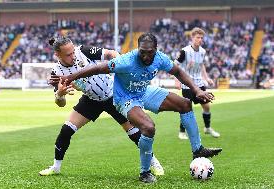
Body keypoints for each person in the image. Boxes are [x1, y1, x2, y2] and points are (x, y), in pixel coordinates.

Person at [50, 33, 222, 183]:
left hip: (142, 91)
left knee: (185, 104)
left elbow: (179, 72)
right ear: (137, 48)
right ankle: (145, 172)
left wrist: (197, 90)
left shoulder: (160, 58)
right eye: (142, 52)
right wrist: (67, 82)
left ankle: (197, 149)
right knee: (148, 127)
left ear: (156, 49)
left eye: (150, 53)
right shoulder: (126, 61)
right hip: (124, 98)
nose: (146, 57)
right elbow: (97, 68)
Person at [39, 36, 164, 176]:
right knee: (66, 130)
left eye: (73, 52)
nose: (73, 56)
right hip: (91, 100)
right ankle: (55, 167)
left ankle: (153, 161)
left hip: (114, 96)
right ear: (57, 55)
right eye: (68, 55)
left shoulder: (83, 51)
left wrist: (121, 63)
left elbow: (110, 53)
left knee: (134, 132)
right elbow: (60, 104)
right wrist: (60, 94)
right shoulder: (56, 73)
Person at [176, 27, 220, 140]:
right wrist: (177, 80)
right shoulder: (184, 51)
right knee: (186, 108)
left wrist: (207, 77)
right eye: (198, 37)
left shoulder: (203, 51)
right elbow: (175, 65)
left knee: (206, 106)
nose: (200, 39)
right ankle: (181, 132)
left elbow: (201, 65)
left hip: (199, 83)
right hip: (187, 83)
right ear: (192, 38)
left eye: (201, 38)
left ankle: (207, 128)